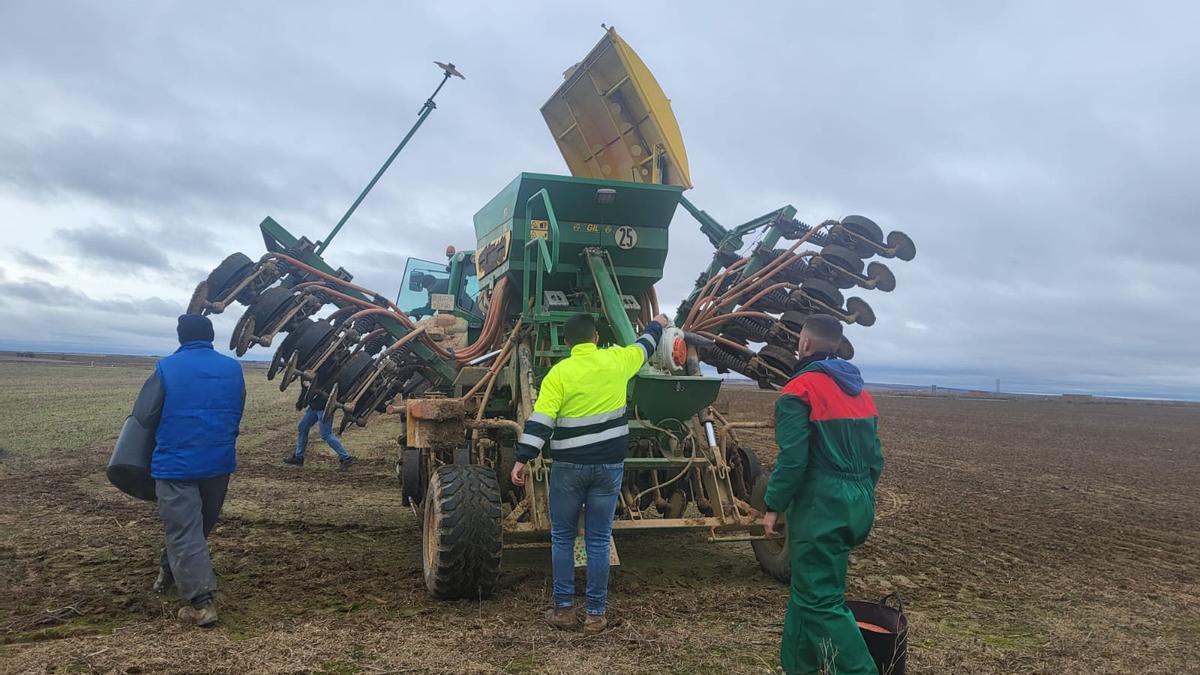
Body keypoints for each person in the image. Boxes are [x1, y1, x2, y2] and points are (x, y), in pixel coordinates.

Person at [511, 312, 669, 634]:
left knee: (562, 538)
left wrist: (522, 458)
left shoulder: (559, 373)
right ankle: (596, 615)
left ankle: (564, 610)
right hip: (609, 468)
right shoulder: (616, 360)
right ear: (596, 338)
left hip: (568, 469)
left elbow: (541, 420)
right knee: (598, 539)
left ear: (567, 343)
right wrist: (658, 324)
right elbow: (645, 346)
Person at [761, 314, 884, 674]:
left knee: (821, 602)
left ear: (804, 344)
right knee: (808, 592)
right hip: (858, 499)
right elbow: (876, 458)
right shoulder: (861, 393)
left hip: (822, 505)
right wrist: (855, 496)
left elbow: (793, 459)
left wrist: (773, 505)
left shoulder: (798, 391)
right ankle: (797, 667)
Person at [133, 314, 245, 627]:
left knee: (184, 532)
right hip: (218, 465)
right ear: (210, 336)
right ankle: (168, 572)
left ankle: (201, 604)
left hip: (175, 466)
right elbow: (236, 412)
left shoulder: (166, 368)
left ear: (181, 337)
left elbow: (144, 416)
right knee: (195, 530)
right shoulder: (233, 369)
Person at [283, 376, 355, 471]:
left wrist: (310, 386)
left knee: (326, 435)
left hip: (324, 409)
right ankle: (298, 457)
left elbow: (326, 392)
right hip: (314, 407)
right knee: (302, 427)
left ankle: (346, 458)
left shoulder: (331, 375)